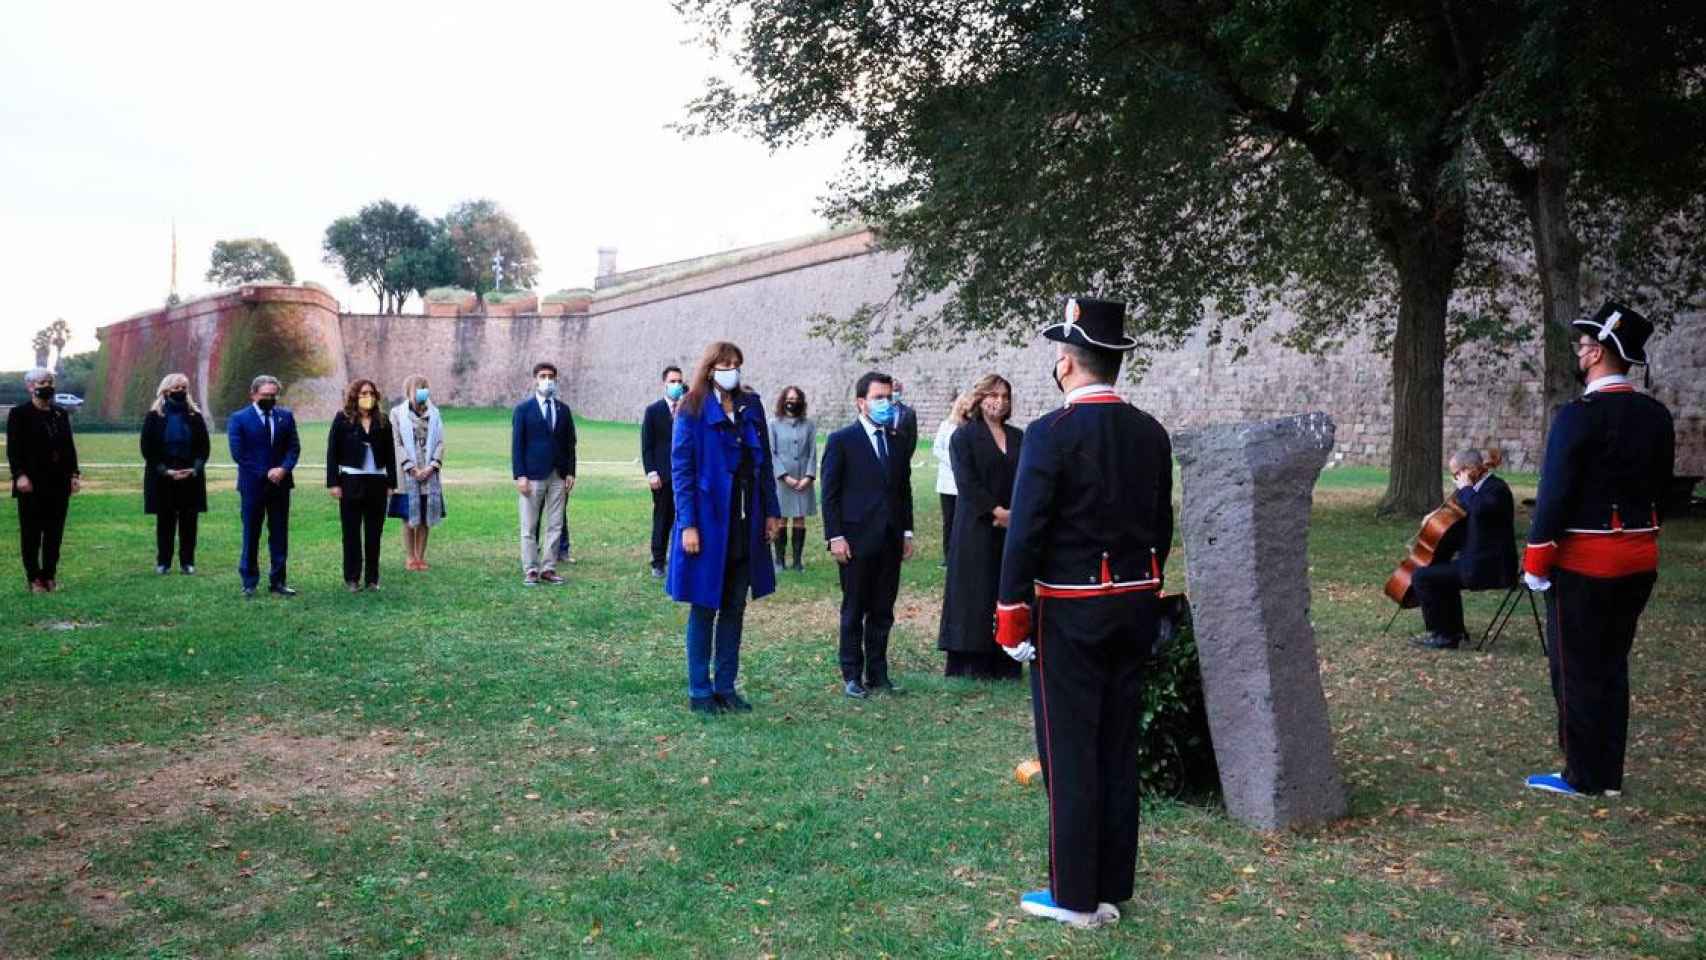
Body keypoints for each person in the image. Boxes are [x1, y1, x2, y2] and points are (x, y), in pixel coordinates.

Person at [994, 297, 1172, 928]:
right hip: (1134, 604)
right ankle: (1110, 885)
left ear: (1067, 364)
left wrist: (1010, 608)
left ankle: (1073, 896)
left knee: (1070, 752)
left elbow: (1027, 531)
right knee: (1116, 747)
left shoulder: (1050, 433)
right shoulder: (1150, 432)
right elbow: (1161, 524)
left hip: (1069, 612)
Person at [1522, 300, 1675, 799]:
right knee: (1611, 665)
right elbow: (1662, 490)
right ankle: (1607, 774)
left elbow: (1555, 494)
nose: (1579, 353)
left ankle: (1583, 776)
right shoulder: (1655, 416)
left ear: (1595, 355)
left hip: (1584, 562)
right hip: (1639, 557)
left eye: (1584, 346)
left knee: (1576, 669)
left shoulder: (1578, 416)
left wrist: (1537, 557)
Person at [667, 341, 783, 714]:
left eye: (736, 363)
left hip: (745, 519)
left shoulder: (751, 405)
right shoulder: (692, 407)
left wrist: (771, 511)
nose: (731, 369)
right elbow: (682, 470)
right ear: (710, 367)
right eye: (724, 363)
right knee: (704, 606)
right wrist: (688, 525)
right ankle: (700, 690)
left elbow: (763, 464)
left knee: (734, 605)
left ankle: (727, 686)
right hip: (707, 519)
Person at [821, 371, 916, 699]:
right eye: (878, 398)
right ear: (861, 403)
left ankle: (878, 673)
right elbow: (830, 494)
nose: (885, 403)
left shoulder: (898, 440)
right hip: (856, 539)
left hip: (890, 539)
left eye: (888, 397)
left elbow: (903, 489)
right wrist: (835, 536)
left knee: (882, 610)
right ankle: (851, 673)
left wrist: (907, 531)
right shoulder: (842, 441)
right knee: (855, 608)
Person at [938, 375, 1024, 679]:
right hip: (976, 524)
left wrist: (1016, 513)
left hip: (1012, 526)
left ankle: (1006, 658)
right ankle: (971, 660)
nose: (998, 401)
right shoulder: (963, 436)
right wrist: (995, 511)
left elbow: (1026, 479)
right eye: (992, 395)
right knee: (975, 591)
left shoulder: (1018, 437)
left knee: (1004, 588)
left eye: (1004, 396)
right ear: (979, 398)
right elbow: (966, 482)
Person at [1407, 448, 1518, 650]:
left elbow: (1481, 509)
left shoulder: (1497, 489)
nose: (1455, 480)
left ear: (1470, 470)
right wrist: (1433, 516)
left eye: (1456, 474)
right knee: (1438, 573)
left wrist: (1466, 488)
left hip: (1490, 566)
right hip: (1474, 561)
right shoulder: (1475, 492)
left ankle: (1442, 635)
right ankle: (1454, 631)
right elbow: (1458, 513)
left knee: (1422, 577)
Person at [8, 367, 80, 593]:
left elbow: (69, 447)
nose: (47, 386)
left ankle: (49, 575)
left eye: (50, 381)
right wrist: (19, 475)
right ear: (30, 387)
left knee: (54, 532)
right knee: (31, 533)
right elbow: (14, 449)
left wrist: (74, 474)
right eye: (41, 382)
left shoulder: (60, 413)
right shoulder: (19, 414)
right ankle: (34, 578)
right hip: (30, 482)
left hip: (58, 482)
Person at [228, 374, 301, 597]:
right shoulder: (239, 418)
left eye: (273, 395)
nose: (269, 398)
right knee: (251, 533)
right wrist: (266, 472)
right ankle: (249, 581)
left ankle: (278, 581)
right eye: (265, 395)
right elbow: (239, 453)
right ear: (253, 394)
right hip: (253, 486)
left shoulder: (285, 417)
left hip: (281, 485)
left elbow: (294, 448)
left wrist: (283, 469)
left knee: (279, 534)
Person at [327, 380, 398, 592]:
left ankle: (372, 578)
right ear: (355, 396)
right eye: (363, 393)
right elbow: (332, 451)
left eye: (371, 393)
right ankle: (352, 578)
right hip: (351, 481)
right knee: (351, 532)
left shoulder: (383, 421)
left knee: (374, 533)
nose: (368, 396)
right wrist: (333, 483)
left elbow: (391, 454)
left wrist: (391, 482)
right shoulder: (342, 419)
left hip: (377, 481)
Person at [511, 361, 577, 585]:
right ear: (535, 379)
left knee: (555, 524)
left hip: (558, 475)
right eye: (542, 376)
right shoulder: (523, 410)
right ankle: (530, 568)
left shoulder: (563, 410)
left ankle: (548, 567)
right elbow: (517, 445)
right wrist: (520, 475)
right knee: (529, 526)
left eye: (550, 376)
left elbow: (570, 444)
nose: (547, 380)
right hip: (532, 476)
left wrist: (570, 472)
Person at [140, 373, 210, 575]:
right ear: (166, 390)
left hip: (190, 475)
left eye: (184, 387)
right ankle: (164, 562)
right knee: (165, 521)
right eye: (176, 387)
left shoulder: (195, 416)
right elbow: (147, 449)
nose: (180, 391)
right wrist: (165, 471)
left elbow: (203, 448)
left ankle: (187, 562)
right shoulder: (154, 417)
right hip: (163, 476)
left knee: (189, 521)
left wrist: (194, 469)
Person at [390, 375, 446, 571]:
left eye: (425, 387)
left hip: (429, 472)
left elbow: (440, 442)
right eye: (418, 388)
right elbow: (396, 443)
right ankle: (410, 557)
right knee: (408, 518)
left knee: (425, 517)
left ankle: (421, 557)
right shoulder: (397, 414)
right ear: (408, 391)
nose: (422, 391)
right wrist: (410, 467)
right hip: (408, 474)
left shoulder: (435, 413)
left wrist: (431, 466)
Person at [642, 366, 686, 577]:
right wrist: (651, 472)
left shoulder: (688, 409)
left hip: (685, 476)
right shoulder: (653, 411)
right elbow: (647, 445)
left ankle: (681, 558)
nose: (677, 385)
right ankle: (658, 561)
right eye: (673, 381)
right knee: (662, 518)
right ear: (664, 384)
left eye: (679, 381)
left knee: (685, 517)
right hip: (663, 476)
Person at [769, 385, 818, 571]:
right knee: (781, 519)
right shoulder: (773, 424)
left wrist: (809, 476)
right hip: (782, 480)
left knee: (799, 518)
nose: (793, 402)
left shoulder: (809, 425)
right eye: (789, 398)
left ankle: (797, 561)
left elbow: (813, 451)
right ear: (783, 401)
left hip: (803, 478)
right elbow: (771, 453)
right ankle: (780, 561)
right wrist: (783, 476)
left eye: (796, 399)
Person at [932, 391, 974, 568]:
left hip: (965, 483)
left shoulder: (972, 427)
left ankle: (964, 553)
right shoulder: (946, 426)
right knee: (949, 520)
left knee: (964, 520)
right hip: (948, 482)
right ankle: (948, 556)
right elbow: (937, 448)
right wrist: (953, 461)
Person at [890, 378, 920, 463]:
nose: (894, 393)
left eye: (896, 390)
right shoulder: (880, 411)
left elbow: (913, 438)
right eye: (892, 390)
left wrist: (906, 457)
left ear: (901, 391)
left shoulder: (910, 413)